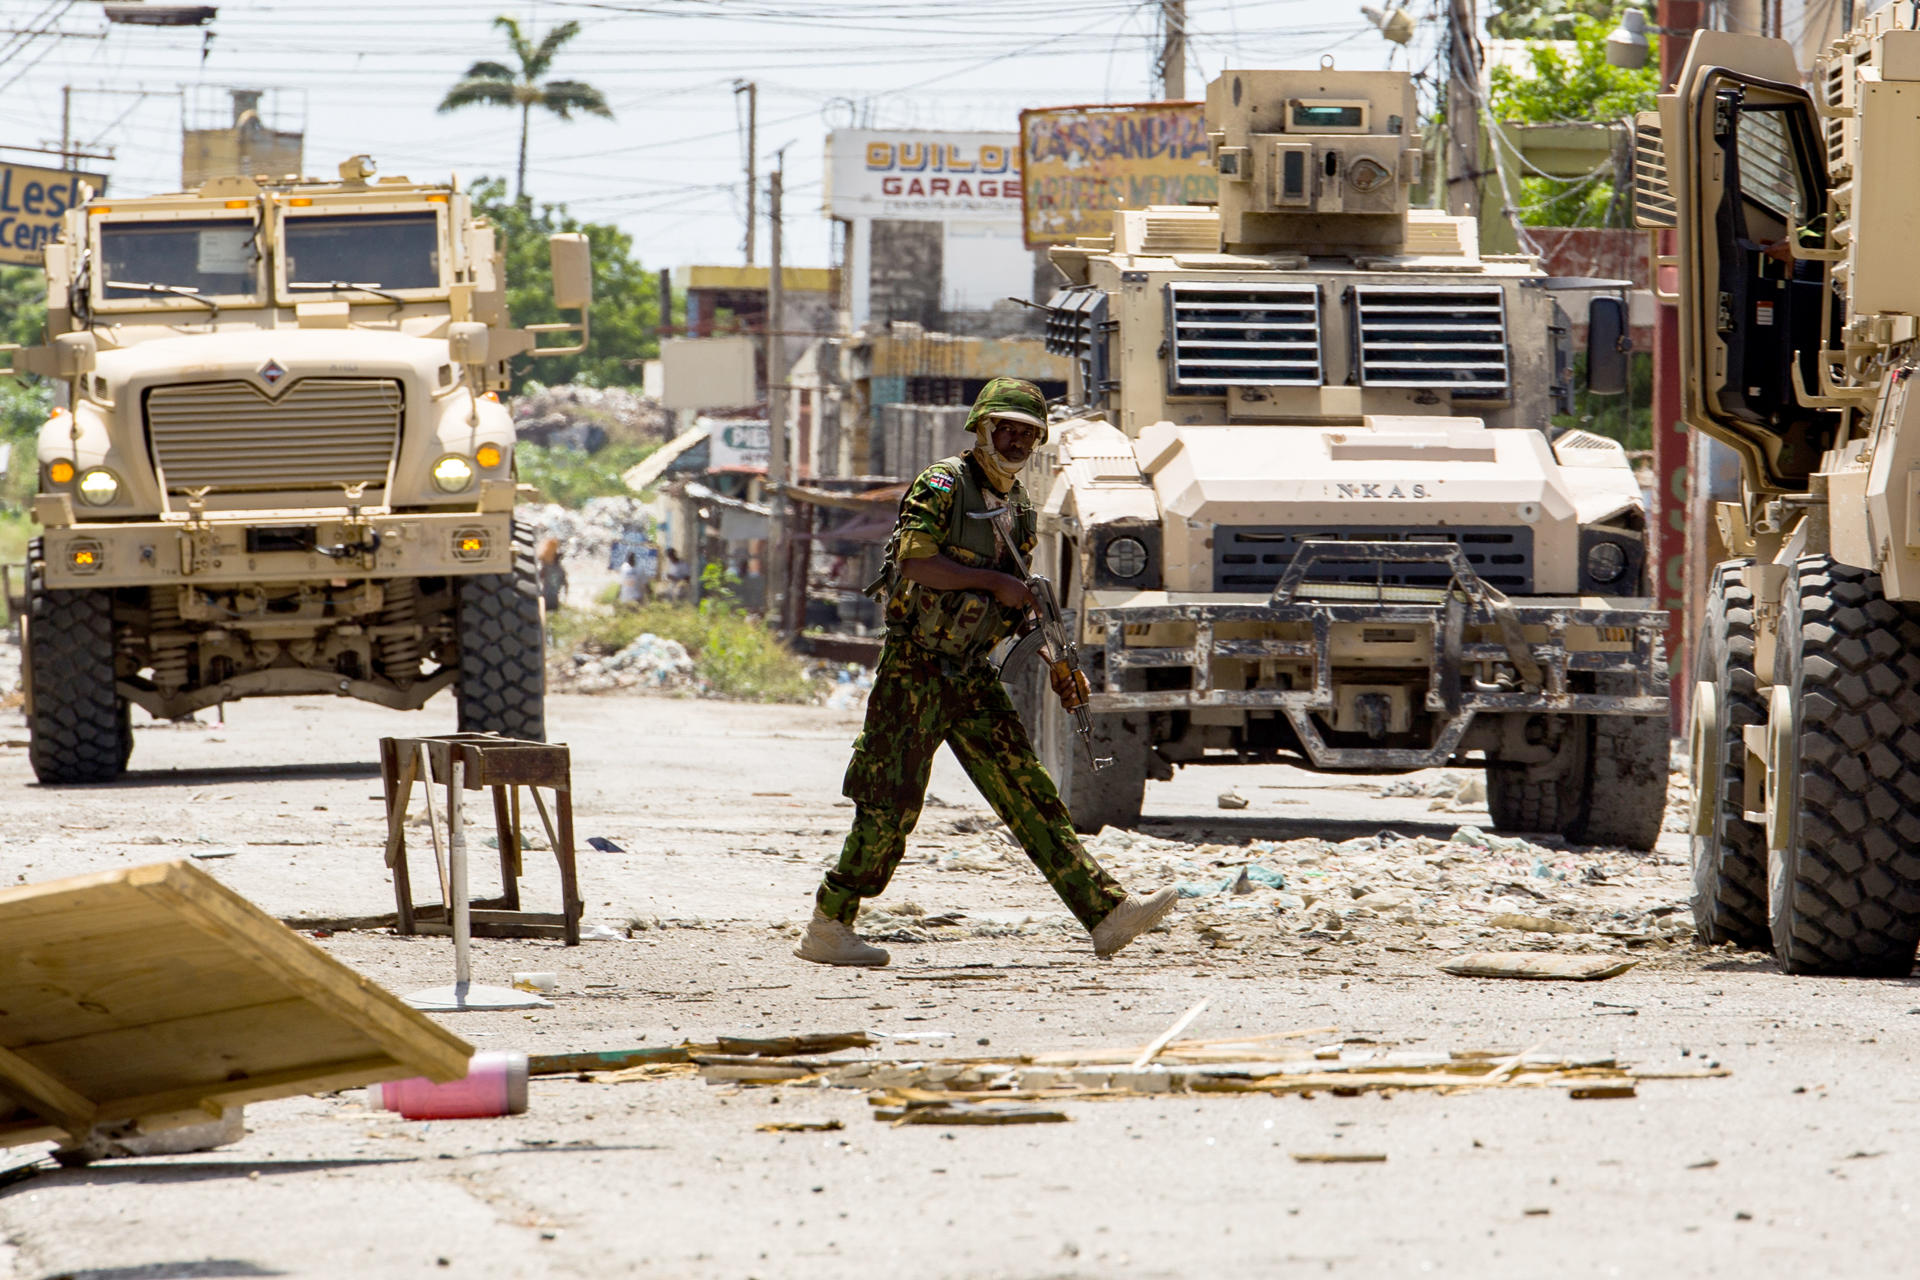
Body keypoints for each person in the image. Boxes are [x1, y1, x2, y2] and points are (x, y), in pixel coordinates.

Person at [793, 377, 1176, 967]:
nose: (1017, 440)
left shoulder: (1020, 506)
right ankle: (830, 923)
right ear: (983, 428)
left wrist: (1055, 661)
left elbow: (1023, 607)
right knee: (889, 803)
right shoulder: (943, 484)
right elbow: (918, 562)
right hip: (916, 669)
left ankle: (1104, 913)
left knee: (1030, 792)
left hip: (970, 674)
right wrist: (995, 581)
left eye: (1028, 432)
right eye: (1008, 429)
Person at [535, 537, 567, 614]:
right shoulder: (558, 569)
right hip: (550, 599)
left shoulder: (547, 568)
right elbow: (565, 583)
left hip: (547, 599)